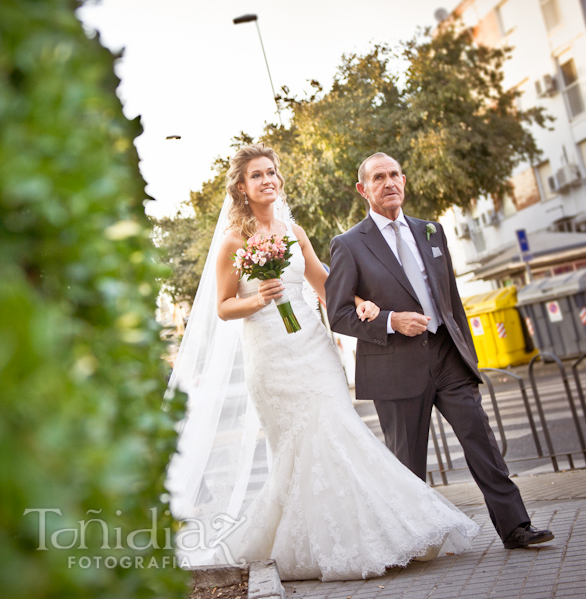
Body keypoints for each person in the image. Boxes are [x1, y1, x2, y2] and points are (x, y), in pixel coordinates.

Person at [166, 144, 478, 582]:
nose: (268, 180)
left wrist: (361, 303)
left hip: (313, 349)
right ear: (241, 186)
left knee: (339, 432)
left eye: (272, 172)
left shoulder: (294, 232)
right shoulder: (232, 242)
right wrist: (259, 297)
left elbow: (324, 284)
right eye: (257, 175)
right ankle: (316, 543)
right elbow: (222, 306)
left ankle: (370, 531)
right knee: (302, 445)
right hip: (272, 356)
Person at [325, 152, 554, 550]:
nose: (389, 182)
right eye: (378, 177)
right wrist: (391, 321)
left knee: (480, 440)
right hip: (394, 364)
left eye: (395, 174)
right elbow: (339, 313)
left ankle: (516, 526)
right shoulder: (348, 245)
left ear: (405, 180)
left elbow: (451, 299)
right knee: (408, 462)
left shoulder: (432, 231)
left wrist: (467, 354)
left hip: (447, 355)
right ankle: (413, 539)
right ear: (364, 190)